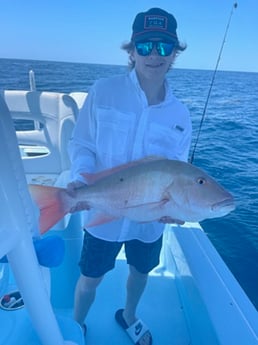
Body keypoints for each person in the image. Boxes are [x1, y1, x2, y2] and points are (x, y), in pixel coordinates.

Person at [68, 7, 192, 345]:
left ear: (175, 54)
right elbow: (81, 143)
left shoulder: (180, 115)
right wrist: (82, 179)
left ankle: (129, 315)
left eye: (165, 47)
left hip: (150, 221)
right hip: (102, 212)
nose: (155, 54)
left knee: (140, 273)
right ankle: (77, 325)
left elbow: (178, 170)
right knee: (90, 277)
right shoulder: (104, 91)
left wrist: (179, 209)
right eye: (146, 45)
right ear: (132, 50)